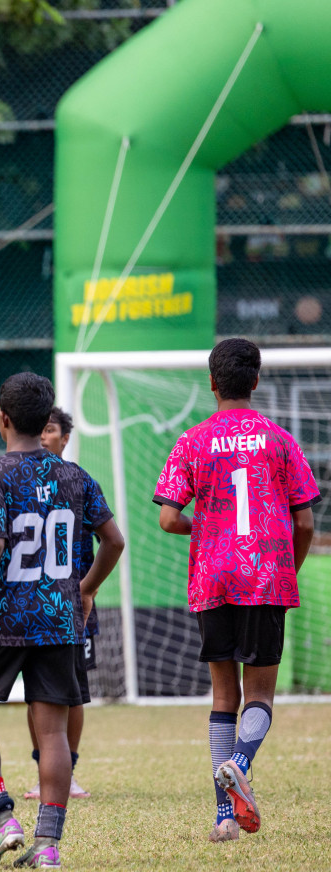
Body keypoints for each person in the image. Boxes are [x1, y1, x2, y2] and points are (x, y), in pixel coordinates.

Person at [0, 372, 124, 869]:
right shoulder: (76, 477)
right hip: (59, 619)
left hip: (2, 617)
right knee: (52, 734)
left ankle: (3, 817)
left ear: (2, 419)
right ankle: (47, 845)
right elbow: (114, 542)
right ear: (46, 421)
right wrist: (85, 589)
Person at [154, 338, 320, 842]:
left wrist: (209, 528)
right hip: (265, 573)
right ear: (256, 380)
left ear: (211, 382)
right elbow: (306, 521)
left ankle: (224, 817)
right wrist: (286, 564)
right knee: (260, 696)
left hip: (214, 575)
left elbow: (167, 518)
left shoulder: (192, 441)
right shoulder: (279, 440)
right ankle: (241, 763)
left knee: (223, 695)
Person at [24, 406, 98, 800]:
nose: (44, 437)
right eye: (40, 429)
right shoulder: (20, 480)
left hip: (75, 604)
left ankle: (67, 770)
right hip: (32, 603)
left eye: (50, 430)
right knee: (37, 692)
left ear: (65, 438)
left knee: (74, 691)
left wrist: (89, 588)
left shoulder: (80, 482)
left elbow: (109, 541)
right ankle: (44, 771)